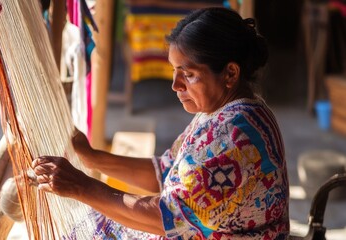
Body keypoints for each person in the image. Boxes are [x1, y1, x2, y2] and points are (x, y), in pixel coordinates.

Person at [32, 7, 290, 239]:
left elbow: (167, 217)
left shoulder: (234, 136)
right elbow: (166, 172)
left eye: (188, 75)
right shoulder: (224, 112)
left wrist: (81, 186)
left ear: (230, 73)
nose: (175, 86)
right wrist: (90, 158)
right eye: (174, 72)